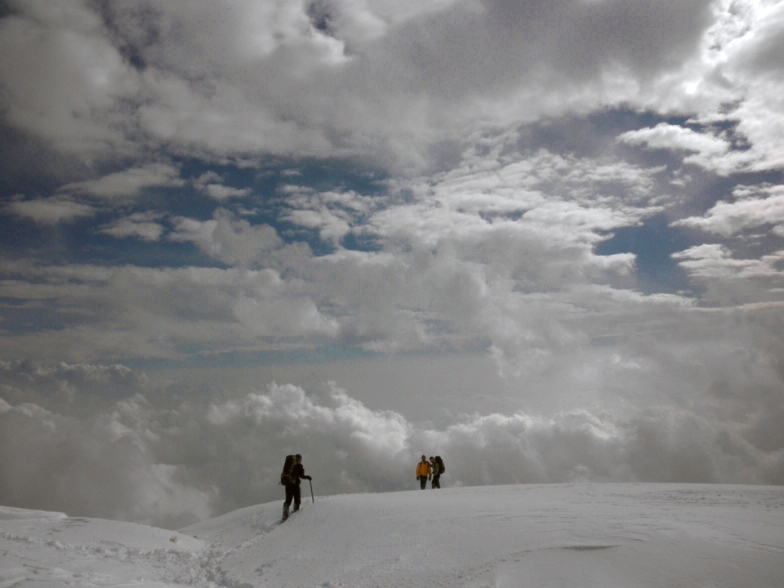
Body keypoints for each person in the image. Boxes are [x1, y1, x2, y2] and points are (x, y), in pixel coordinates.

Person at [283, 454, 312, 520]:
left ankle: (285, 514)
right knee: (297, 500)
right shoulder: (299, 466)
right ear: (299, 460)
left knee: (288, 500)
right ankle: (296, 514)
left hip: (288, 485)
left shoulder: (289, 466)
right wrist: (308, 477)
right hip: (295, 486)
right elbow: (302, 476)